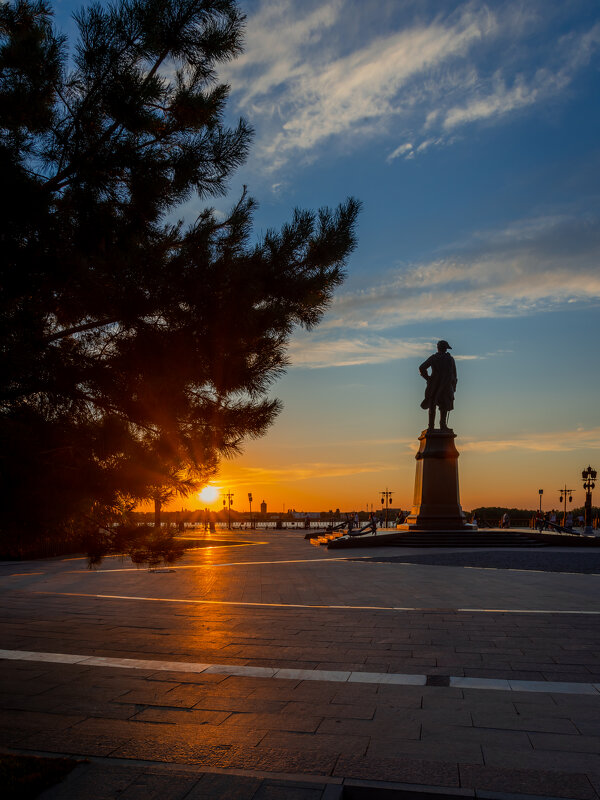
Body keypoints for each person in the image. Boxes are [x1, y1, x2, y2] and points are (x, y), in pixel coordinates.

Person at [419, 340, 457, 430]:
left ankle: (433, 426)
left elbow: (422, 368)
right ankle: (439, 425)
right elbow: (454, 375)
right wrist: (453, 385)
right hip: (442, 385)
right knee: (438, 405)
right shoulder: (449, 359)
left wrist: (428, 378)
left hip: (439, 385)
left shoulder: (436, 358)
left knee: (438, 405)